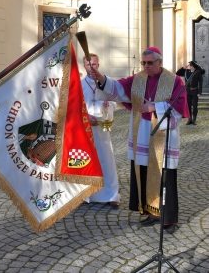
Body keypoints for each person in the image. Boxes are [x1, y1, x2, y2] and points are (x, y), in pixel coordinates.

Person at [89, 47, 189, 234]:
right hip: (142, 133)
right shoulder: (138, 79)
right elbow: (118, 88)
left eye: (150, 63)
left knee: (165, 174)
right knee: (143, 171)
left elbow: (180, 104)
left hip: (163, 134)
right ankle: (151, 212)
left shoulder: (174, 80)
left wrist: (154, 106)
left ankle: (168, 219)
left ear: (160, 62)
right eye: (143, 63)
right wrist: (101, 78)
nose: (146, 66)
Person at [81, 53, 120, 208]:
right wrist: (86, 117)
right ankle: (87, 195)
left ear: (99, 65)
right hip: (85, 129)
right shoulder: (78, 85)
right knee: (86, 160)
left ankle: (112, 194)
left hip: (102, 127)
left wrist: (106, 108)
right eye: (88, 65)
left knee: (106, 159)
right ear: (84, 65)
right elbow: (74, 107)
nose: (92, 68)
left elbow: (115, 102)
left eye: (95, 65)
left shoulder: (107, 83)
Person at [176, 61, 205, 125]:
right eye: (190, 66)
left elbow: (200, 83)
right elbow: (177, 73)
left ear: (194, 66)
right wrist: (183, 68)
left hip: (195, 92)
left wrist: (199, 92)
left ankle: (194, 119)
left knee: (195, 106)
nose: (190, 67)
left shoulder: (198, 73)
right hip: (188, 91)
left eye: (191, 66)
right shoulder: (187, 72)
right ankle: (189, 119)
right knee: (188, 106)